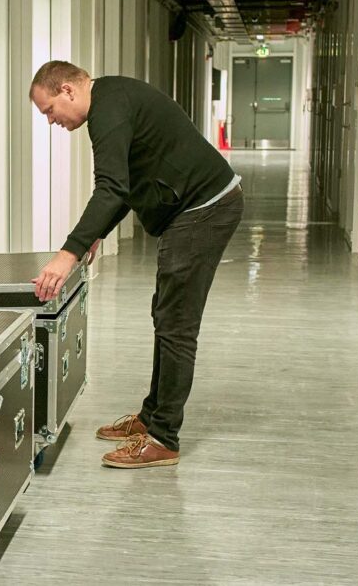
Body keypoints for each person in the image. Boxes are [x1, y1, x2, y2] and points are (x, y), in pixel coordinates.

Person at [28, 60, 244, 469]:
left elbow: (110, 187)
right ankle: (152, 417)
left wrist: (67, 252)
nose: (51, 121)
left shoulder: (108, 109)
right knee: (165, 315)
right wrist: (95, 233)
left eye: (49, 110)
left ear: (68, 91)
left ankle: (164, 438)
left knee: (177, 324)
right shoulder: (112, 98)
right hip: (198, 206)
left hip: (204, 208)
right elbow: (125, 186)